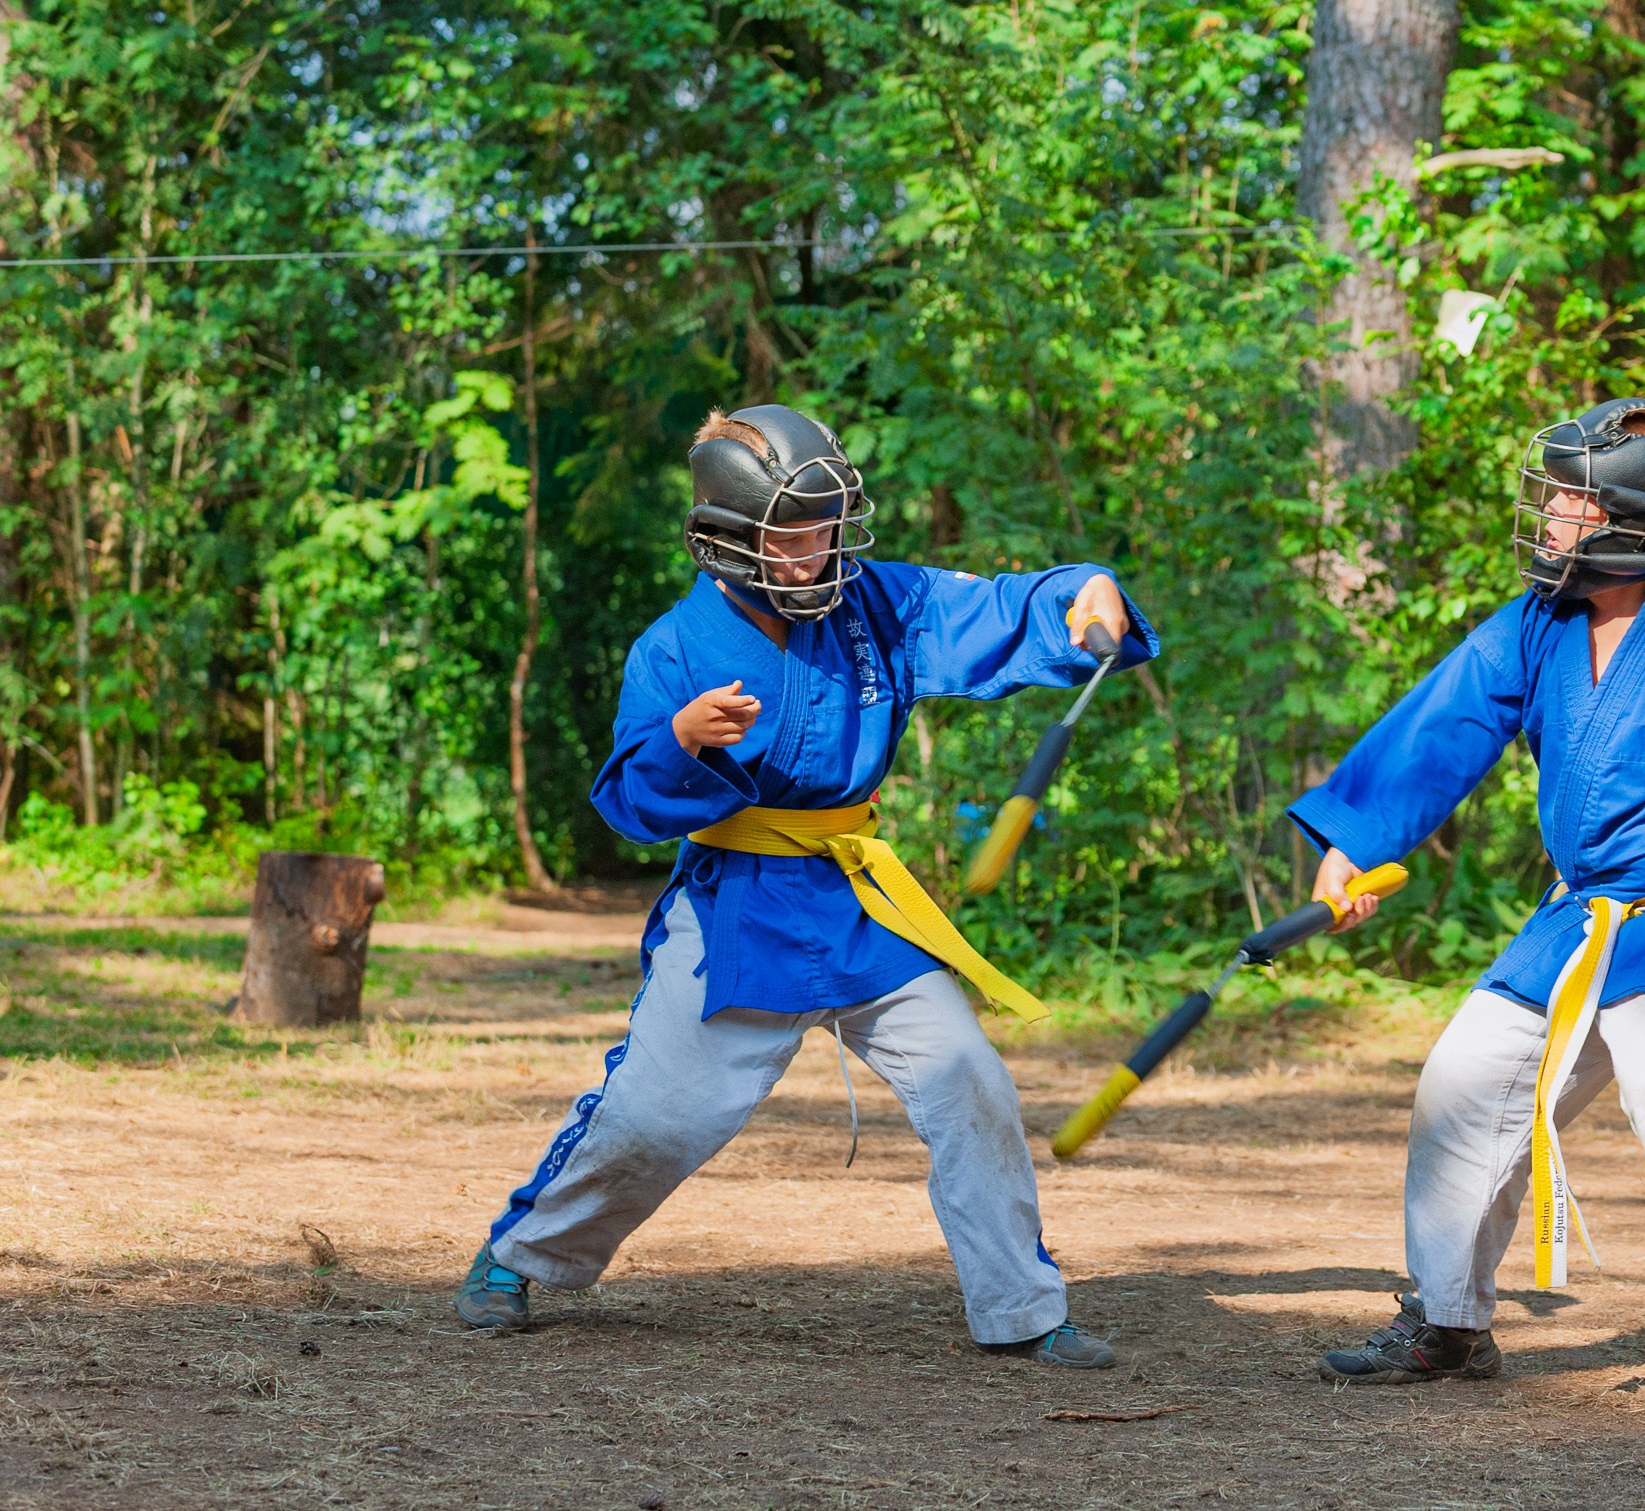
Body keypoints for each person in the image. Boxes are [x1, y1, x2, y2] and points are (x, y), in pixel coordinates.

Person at [452, 403, 1155, 1366]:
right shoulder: (674, 647)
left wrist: (1084, 592)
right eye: (790, 530)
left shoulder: (876, 601)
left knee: (969, 1079)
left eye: (825, 522)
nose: (815, 547)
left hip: (862, 903)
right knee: (665, 1114)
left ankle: (1023, 1308)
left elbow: (991, 607)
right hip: (738, 904)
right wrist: (681, 741)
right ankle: (521, 1255)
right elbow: (626, 798)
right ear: (726, 536)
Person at [1291, 397, 1645, 1403]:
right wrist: (1353, 840)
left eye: (1569, 497)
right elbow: (1444, 722)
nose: (1550, 514)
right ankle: (1448, 1319)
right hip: (1587, 906)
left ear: (1639, 516)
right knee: (1465, 1080)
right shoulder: (1535, 626)